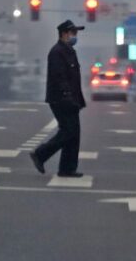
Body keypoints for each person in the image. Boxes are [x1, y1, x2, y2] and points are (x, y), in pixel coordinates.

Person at [29, 19, 86, 177]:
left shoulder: (69, 51)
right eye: (73, 32)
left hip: (71, 99)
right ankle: (41, 154)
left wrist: (77, 100)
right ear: (64, 34)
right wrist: (67, 96)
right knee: (69, 131)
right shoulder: (57, 52)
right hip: (61, 99)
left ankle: (67, 168)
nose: (75, 36)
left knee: (73, 133)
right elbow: (59, 77)